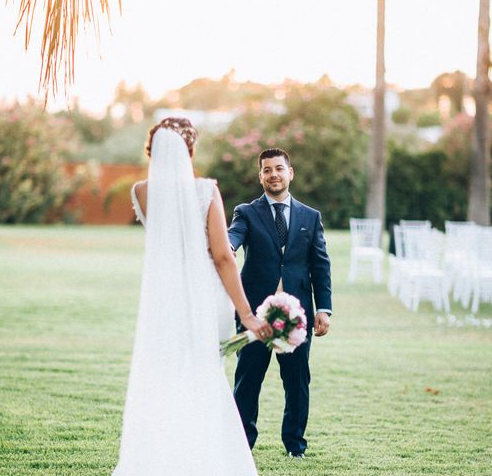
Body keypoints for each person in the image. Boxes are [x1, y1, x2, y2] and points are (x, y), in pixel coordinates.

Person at [112, 118, 272, 476]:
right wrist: (246, 314)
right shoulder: (204, 190)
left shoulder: (141, 191)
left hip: (164, 295)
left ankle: (164, 459)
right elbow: (222, 256)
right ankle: (204, 460)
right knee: (204, 372)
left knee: (168, 373)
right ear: (188, 152)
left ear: (152, 152)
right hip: (203, 293)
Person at [228, 147, 332, 459]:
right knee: (248, 381)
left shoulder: (310, 217)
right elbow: (234, 236)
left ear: (290, 173)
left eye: (279, 168)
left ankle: (295, 446)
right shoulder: (246, 212)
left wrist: (324, 308)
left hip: (297, 316)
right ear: (260, 176)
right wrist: (228, 248)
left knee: (297, 382)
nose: (273, 174)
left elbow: (320, 265)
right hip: (255, 316)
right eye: (267, 170)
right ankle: (242, 445)